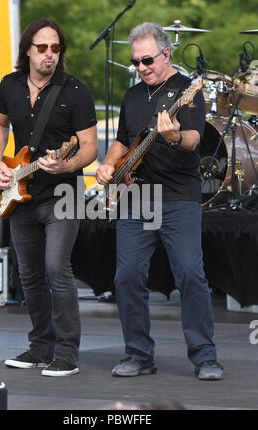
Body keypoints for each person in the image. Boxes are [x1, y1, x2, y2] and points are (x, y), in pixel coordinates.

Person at [96, 22, 223, 380]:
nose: (141, 67)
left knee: (190, 273)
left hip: (178, 196)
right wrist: (107, 163)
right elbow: (124, 140)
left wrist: (173, 135)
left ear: (167, 54)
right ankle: (138, 354)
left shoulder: (189, 91)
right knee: (127, 276)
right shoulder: (133, 96)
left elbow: (194, 139)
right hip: (136, 196)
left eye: (148, 60)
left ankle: (204, 356)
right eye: (135, 62)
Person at [0, 18, 98, 376]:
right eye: (42, 48)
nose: (50, 54)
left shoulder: (75, 91)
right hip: (19, 192)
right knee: (30, 274)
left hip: (62, 192)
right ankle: (40, 347)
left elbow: (90, 149)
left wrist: (66, 167)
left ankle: (67, 353)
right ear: (27, 50)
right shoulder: (9, 85)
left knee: (56, 269)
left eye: (55, 48)